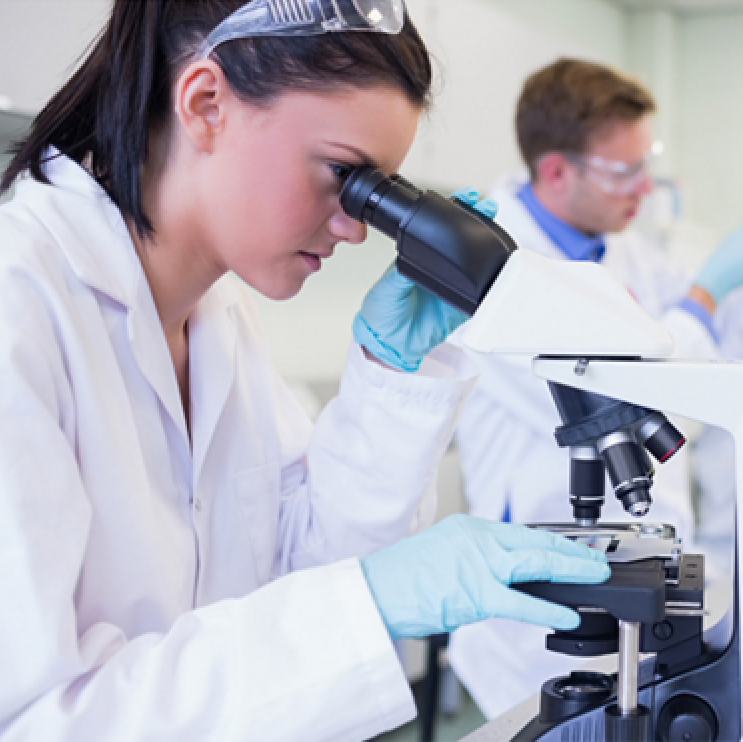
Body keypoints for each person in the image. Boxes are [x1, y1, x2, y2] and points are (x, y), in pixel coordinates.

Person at [0, 3, 611, 741]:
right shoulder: (20, 307)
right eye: (343, 175)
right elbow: (36, 720)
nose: (355, 226)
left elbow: (306, 570)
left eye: (377, 191)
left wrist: (391, 371)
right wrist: (373, 601)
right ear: (205, 103)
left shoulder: (220, 317)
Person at [448, 57, 731, 721]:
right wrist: (701, 295)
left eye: (646, 166)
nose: (643, 190)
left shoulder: (629, 251)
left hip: (646, 572)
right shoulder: (496, 277)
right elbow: (628, 395)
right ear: (554, 170)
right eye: (622, 172)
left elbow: (698, 373)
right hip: (535, 623)